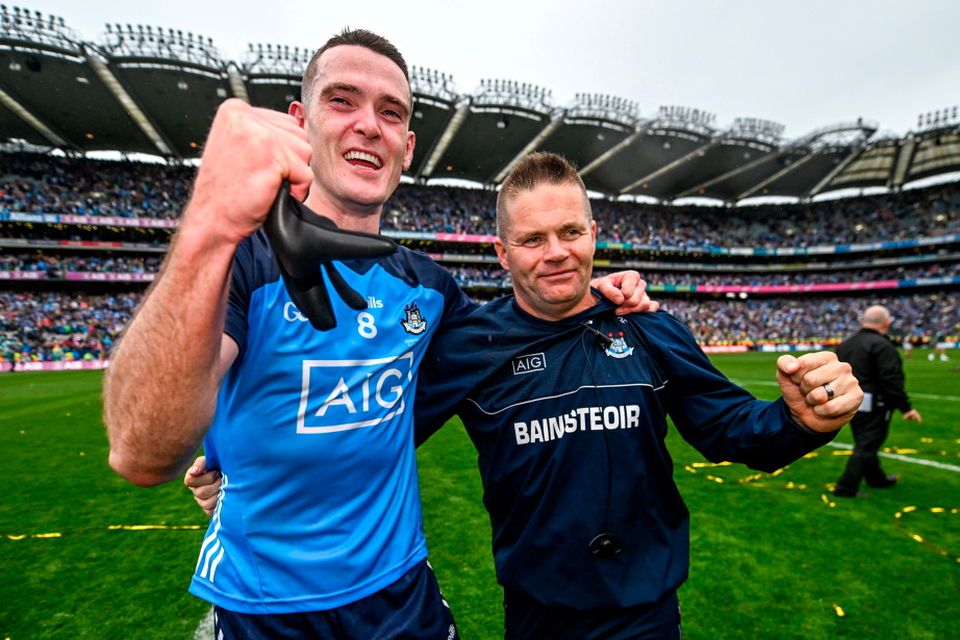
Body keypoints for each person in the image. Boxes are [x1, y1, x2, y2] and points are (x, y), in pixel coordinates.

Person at [104, 30, 652, 640]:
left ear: (408, 145)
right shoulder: (243, 263)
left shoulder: (431, 290)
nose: (369, 125)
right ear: (300, 121)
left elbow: (528, 332)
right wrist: (209, 225)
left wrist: (600, 293)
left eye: (390, 112)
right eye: (342, 101)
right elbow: (140, 452)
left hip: (400, 598)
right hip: (263, 607)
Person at [189, 152, 862, 639]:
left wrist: (800, 421)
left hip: (648, 615)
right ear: (503, 253)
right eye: (532, 239)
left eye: (571, 232)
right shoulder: (465, 346)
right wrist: (241, 465)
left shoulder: (650, 328)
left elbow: (735, 431)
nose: (556, 252)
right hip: (538, 618)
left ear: (594, 235)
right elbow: (369, 426)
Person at [833, 305, 922, 497]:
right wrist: (906, 407)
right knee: (867, 444)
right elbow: (891, 379)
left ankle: (876, 478)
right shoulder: (882, 345)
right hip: (875, 403)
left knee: (865, 440)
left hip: (850, 401)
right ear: (886, 323)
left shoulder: (846, 344)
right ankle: (846, 487)